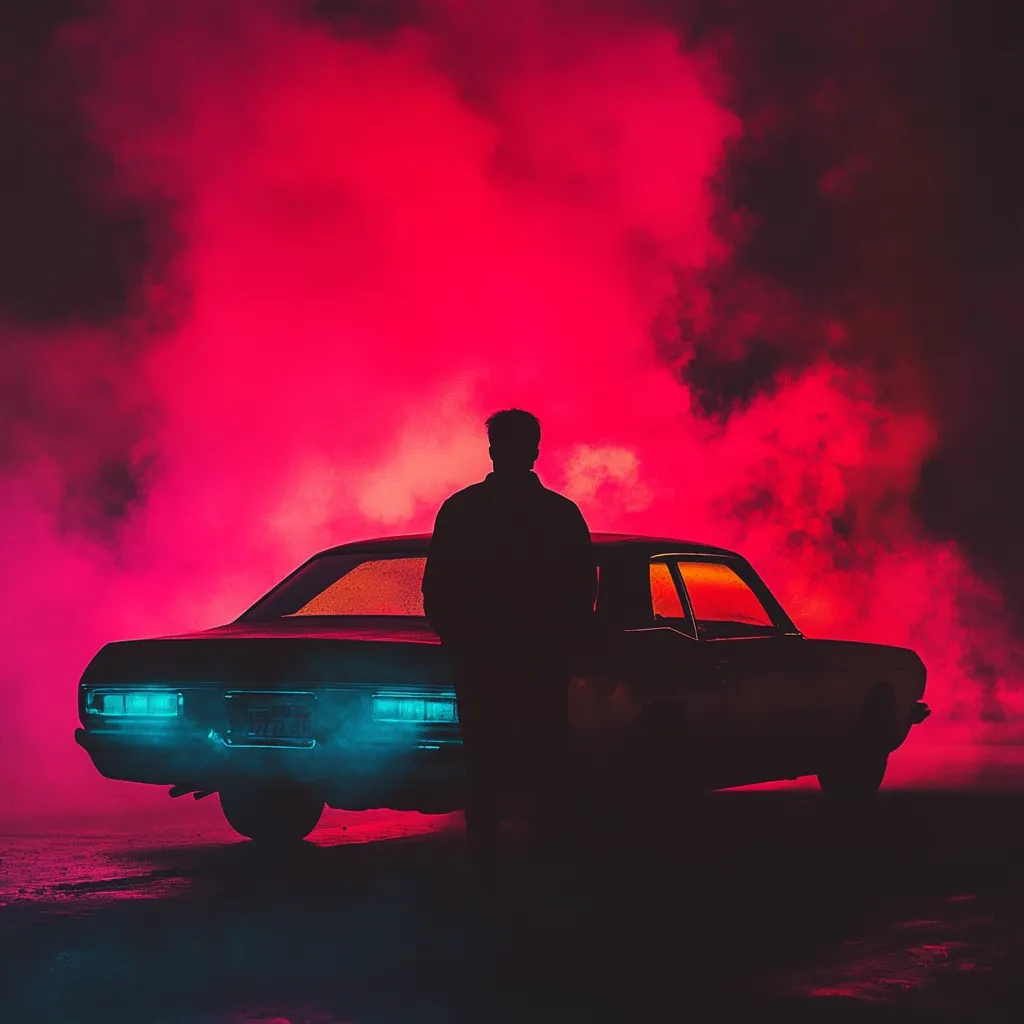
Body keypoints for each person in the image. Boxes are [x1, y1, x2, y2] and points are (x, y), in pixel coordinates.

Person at [422, 409, 596, 896]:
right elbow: (582, 590)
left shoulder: (460, 511)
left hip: (480, 662)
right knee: (544, 758)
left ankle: (487, 862)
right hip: (541, 662)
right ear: (535, 449)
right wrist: (560, 643)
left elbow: (437, 589)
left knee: (482, 760)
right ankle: (547, 863)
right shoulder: (560, 514)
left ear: (493, 449)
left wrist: (459, 642)